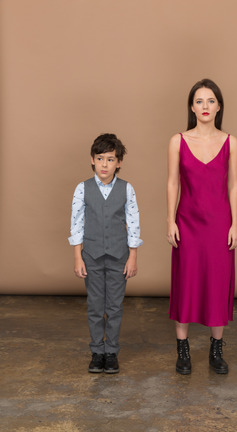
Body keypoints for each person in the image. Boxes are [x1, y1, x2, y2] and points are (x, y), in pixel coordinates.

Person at [167, 79, 237, 375]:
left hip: (220, 223)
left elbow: (234, 185)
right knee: (186, 282)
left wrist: (236, 222)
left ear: (219, 106)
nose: (205, 106)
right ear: (191, 107)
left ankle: (216, 350)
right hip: (187, 221)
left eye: (211, 101)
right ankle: (182, 351)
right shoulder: (178, 141)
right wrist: (169, 219)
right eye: (199, 101)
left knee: (218, 283)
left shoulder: (231, 141)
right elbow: (172, 182)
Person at [69, 133, 143, 374]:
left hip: (119, 255)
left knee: (114, 307)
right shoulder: (83, 189)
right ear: (92, 159)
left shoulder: (126, 189)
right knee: (94, 305)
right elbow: (77, 223)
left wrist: (133, 256)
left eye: (110, 159)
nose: (104, 164)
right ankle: (96, 352)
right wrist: (78, 256)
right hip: (90, 255)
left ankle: (111, 352)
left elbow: (133, 223)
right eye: (100, 158)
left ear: (119, 162)